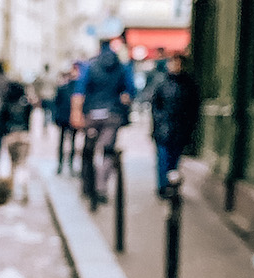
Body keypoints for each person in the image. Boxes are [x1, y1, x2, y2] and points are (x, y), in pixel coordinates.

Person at [69, 21, 134, 210]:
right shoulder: (122, 67)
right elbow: (130, 91)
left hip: (92, 114)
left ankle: (88, 185)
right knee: (107, 150)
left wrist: (77, 113)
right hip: (112, 114)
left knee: (88, 150)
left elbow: (79, 91)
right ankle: (101, 186)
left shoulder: (90, 66)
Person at [149, 53, 200, 199]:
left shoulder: (189, 84)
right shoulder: (162, 83)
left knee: (174, 159)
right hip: (164, 128)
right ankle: (163, 186)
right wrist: (159, 122)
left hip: (180, 128)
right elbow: (155, 106)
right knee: (163, 158)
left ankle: (171, 184)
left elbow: (193, 107)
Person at [0, 80, 34, 204]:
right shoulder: (26, 103)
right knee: (22, 164)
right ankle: (24, 191)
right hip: (24, 136)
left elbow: (2, 121)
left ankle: (10, 191)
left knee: (12, 165)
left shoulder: (7, 103)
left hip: (11, 136)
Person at [53, 64, 80, 175]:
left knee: (67, 142)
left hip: (67, 118)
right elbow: (57, 103)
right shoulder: (74, 89)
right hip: (66, 118)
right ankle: (63, 165)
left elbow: (56, 103)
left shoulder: (64, 87)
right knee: (66, 142)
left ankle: (65, 165)